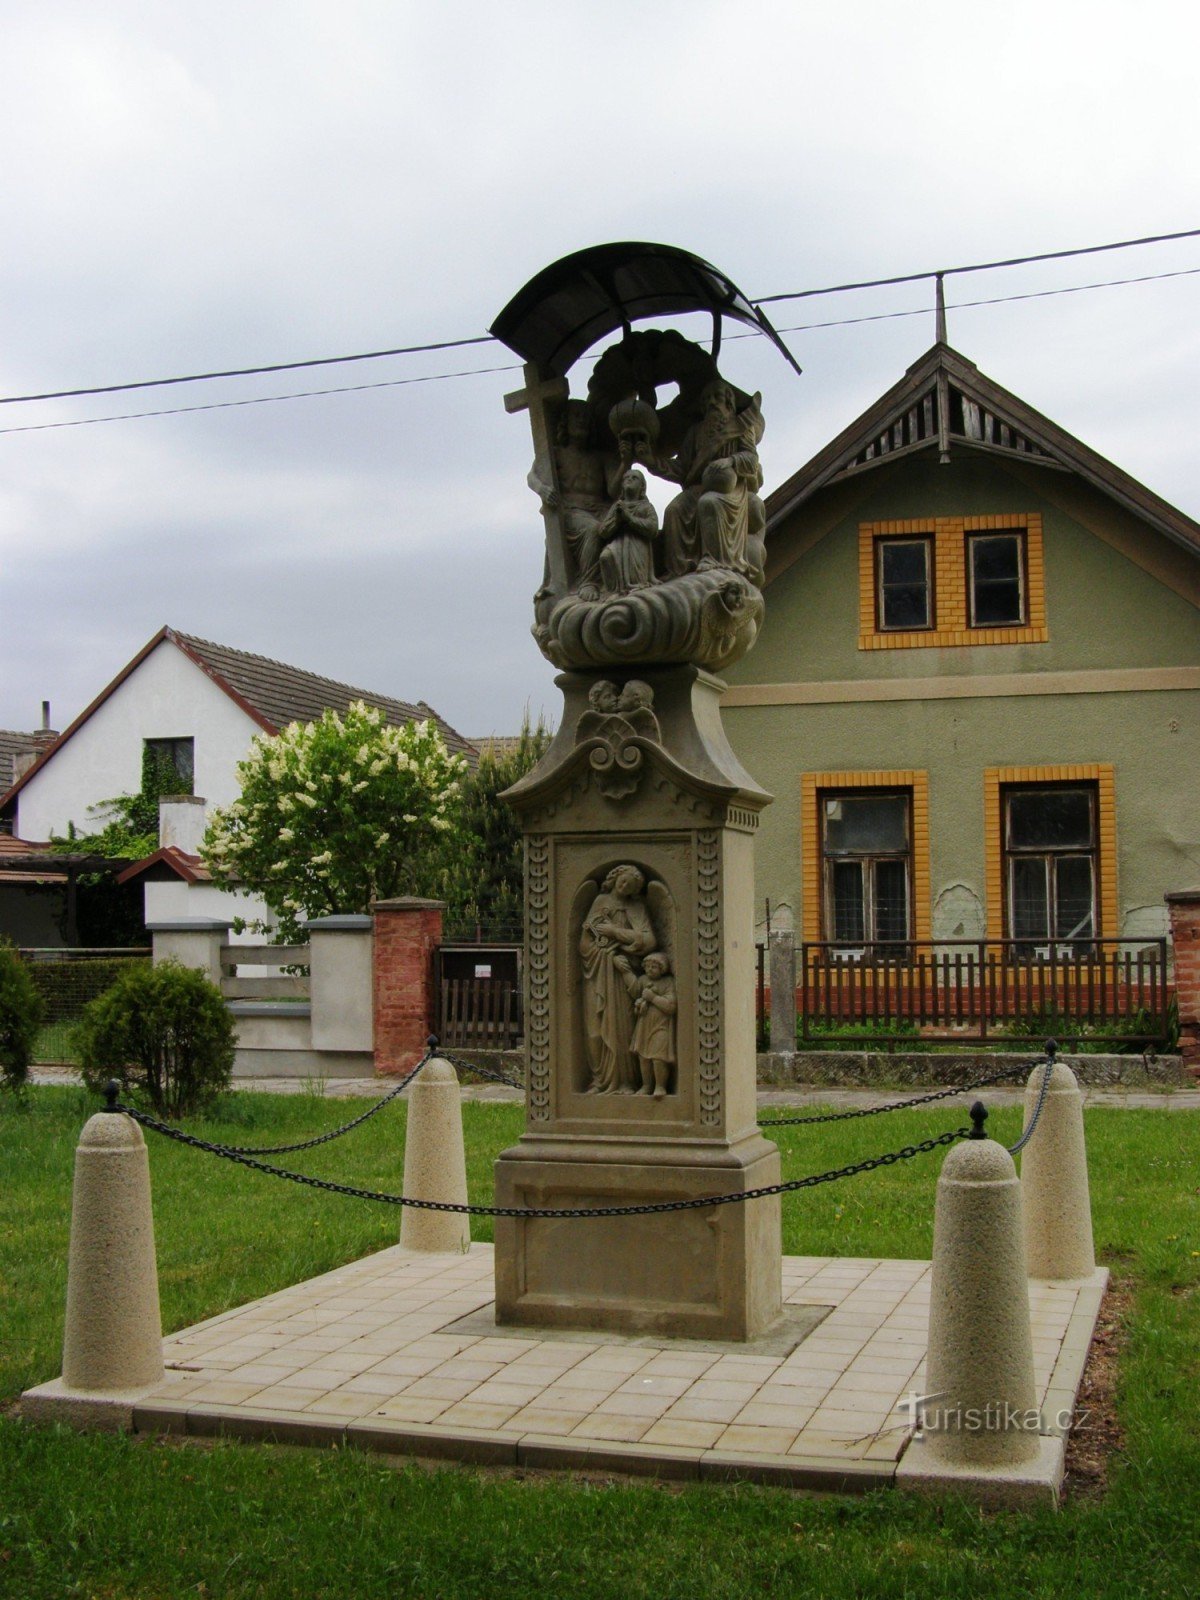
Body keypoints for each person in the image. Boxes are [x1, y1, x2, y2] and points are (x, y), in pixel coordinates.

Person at [579, 865, 656, 1094]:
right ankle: (598, 1080)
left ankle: (625, 1082)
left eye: (630, 886)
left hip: (623, 977)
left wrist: (614, 932)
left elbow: (649, 940)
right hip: (597, 974)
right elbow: (584, 943)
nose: (624, 887)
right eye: (622, 882)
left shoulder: (636, 907)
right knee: (595, 1031)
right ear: (614, 879)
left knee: (622, 1029)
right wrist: (604, 955)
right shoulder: (599, 902)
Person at [596, 469, 660, 595]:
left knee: (635, 576)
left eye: (634, 478)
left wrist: (630, 519)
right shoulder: (616, 507)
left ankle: (635, 588)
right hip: (618, 545)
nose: (629, 479)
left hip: (637, 545)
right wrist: (617, 520)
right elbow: (603, 531)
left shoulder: (646, 506)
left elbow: (653, 528)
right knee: (605, 557)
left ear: (642, 487)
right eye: (626, 478)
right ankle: (612, 591)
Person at [624, 951, 677, 1098]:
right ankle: (646, 1085)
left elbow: (671, 1006)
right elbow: (636, 1004)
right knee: (643, 1057)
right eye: (647, 967)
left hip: (661, 1026)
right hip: (644, 1026)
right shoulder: (642, 980)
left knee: (658, 1057)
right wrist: (639, 1005)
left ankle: (660, 1086)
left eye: (653, 967)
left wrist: (652, 997)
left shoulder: (668, 982)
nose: (649, 970)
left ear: (662, 968)